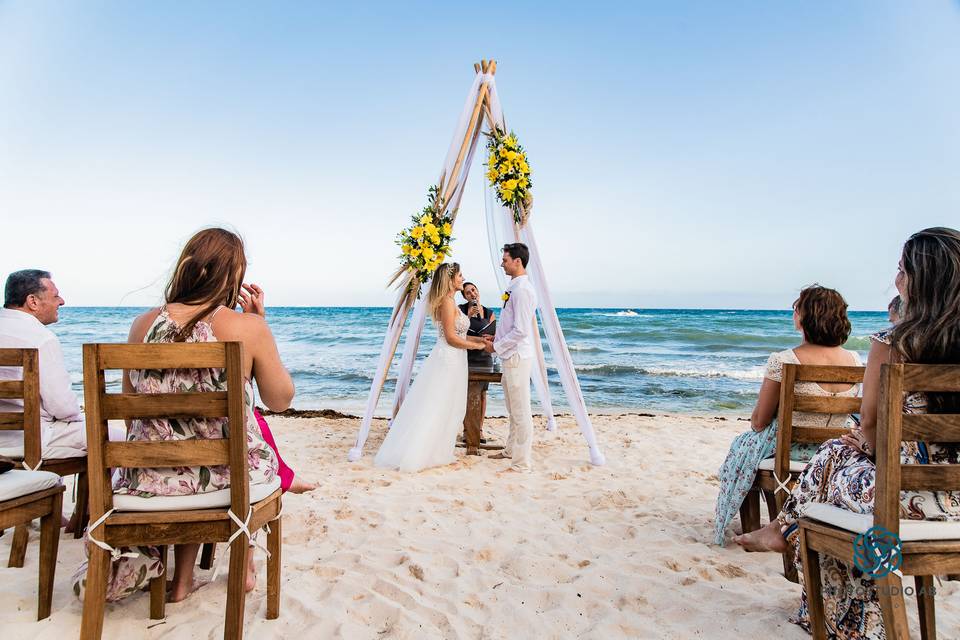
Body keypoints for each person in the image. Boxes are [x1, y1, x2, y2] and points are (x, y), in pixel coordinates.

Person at [735, 227, 960, 639]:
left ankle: (797, 545)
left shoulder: (893, 344)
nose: (896, 280)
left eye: (901, 270)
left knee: (837, 455)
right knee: (837, 455)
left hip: (905, 502)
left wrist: (865, 440)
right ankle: (785, 529)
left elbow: (871, 427)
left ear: (920, 280)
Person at [72, 228, 301, 603]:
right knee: (241, 458)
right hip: (222, 480)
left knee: (188, 451)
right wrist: (261, 324)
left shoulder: (141, 326)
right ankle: (241, 567)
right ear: (232, 275)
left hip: (147, 480)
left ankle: (180, 583)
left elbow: (132, 415)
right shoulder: (247, 327)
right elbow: (280, 400)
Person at [713, 285, 862, 544]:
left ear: (805, 317)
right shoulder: (856, 360)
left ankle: (751, 523)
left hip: (788, 451)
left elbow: (759, 422)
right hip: (833, 450)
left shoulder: (784, 360)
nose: (793, 313)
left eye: (796, 309)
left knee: (742, 445)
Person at [375, 263, 488, 472]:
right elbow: (452, 338)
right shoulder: (446, 302)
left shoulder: (452, 301)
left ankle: (440, 452)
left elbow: (460, 334)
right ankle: (423, 453)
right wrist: (479, 344)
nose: (463, 279)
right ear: (450, 279)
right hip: (448, 358)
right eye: (460, 275)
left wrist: (481, 340)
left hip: (456, 358)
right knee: (439, 404)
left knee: (450, 406)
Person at [0, 270, 124, 460]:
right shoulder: (41, 338)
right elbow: (63, 408)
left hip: (4, 440)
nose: (62, 301)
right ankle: (100, 490)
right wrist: (78, 414)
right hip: (31, 439)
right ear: (32, 301)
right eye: (56, 296)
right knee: (116, 436)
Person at [484, 243, 538, 473]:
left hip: (516, 356)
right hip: (510, 355)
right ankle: (510, 450)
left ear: (518, 261)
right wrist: (495, 335)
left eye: (505, 259)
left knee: (521, 410)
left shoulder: (524, 290)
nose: (501, 263)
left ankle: (521, 463)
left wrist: (495, 347)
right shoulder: (513, 287)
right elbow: (510, 324)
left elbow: (522, 330)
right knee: (512, 407)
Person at [459, 281, 496, 451]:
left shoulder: (489, 313)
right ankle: (467, 430)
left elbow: (496, 335)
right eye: (468, 292)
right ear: (464, 297)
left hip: (485, 357)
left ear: (478, 291)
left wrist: (492, 338)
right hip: (467, 356)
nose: (472, 294)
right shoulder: (460, 310)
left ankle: (479, 429)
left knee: (482, 394)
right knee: (466, 394)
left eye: (473, 290)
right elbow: (455, 332)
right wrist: (468, 316)